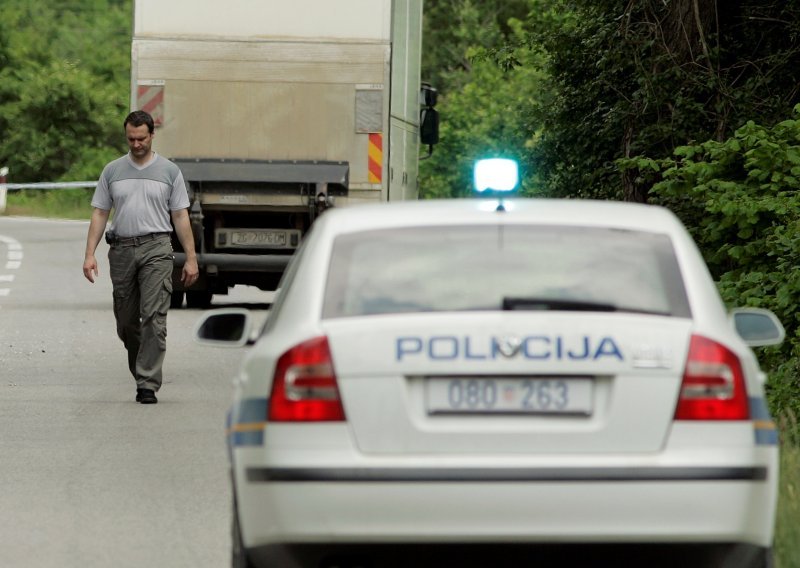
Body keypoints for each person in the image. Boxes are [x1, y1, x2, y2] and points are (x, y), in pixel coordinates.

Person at [82, 110, 199, 404]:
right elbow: (100, 212)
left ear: (152, 135)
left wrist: (191, 257)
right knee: (126, 322)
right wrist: (89, 254)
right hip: (121, 249)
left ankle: (147, 383)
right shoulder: (112, 171)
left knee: (154, 318)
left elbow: (180, 216)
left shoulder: (169, 171)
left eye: (141, 138)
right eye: (131, 139)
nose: (136, 144)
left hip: (157, 248)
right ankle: (141, 366)